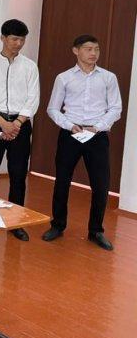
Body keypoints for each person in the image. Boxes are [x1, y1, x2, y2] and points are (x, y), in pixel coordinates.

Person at [42, 35, 122, 251]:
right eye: (88, 49)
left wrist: (98, 126)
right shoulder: (64, 78)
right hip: (71, 134)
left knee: (101, 184)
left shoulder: (108, 78)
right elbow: (52, 109)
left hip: (97, 135)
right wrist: (70, 126)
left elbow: (116, 108)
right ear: (76, 51)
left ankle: (96, 231)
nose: (93, 53)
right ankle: (58, 225)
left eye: (96, 49)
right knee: (62, 181)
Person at [0, 19, 40, 241]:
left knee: (18, 173)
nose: (18, 43)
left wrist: (17, 123)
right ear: (3, 38)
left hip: (20, 125)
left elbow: (33, 98)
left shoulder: (30, 66)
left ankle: (16, 222)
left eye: (22, 39)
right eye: (14, 39)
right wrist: (2, 123)